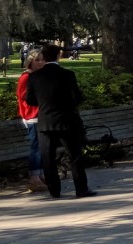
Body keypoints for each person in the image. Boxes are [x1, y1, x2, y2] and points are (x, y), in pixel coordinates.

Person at [25, 42, 95, 199]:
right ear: (58, 56)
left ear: (43, 57)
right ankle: (81, 188)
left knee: (48, 158)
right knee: (74, 155)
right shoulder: (68, 75)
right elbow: (77, 98)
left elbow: (30, 100)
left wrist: (44, 103)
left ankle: (54, 190)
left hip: (45, 122)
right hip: (67, 120)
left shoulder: (34, 77)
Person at [15, 47, 47, 192]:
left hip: (41, 114)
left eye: (42, 60)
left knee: (41, 146)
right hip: (31, 114)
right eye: (37, 60)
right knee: (36, 146)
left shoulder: (39, 76)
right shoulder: (26, 77)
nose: (40, 63)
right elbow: (23, 96)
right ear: (30, 61)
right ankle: (34, 177)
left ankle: (40, 174)